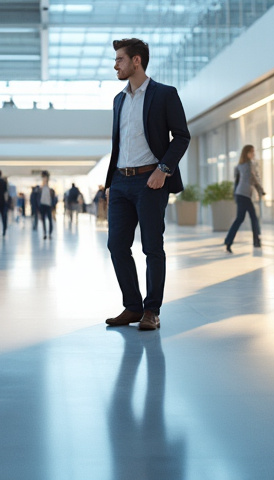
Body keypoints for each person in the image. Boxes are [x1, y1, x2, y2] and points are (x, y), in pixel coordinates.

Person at [104, 38, 190, 332]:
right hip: (119, 182)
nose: (115, 64)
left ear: (136, 61)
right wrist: (110, 183)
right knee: (116, 245)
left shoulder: (164, 94)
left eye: (120, 59)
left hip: (150, 182)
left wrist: (163, 170)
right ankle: (133, 306)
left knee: (152, 247)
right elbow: (118, 144)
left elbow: (182, 136)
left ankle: (152, 310)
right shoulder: (119, 99)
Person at [224, 145, 266, 253]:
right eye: (251, 152)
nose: (254, 154)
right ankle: (254, 241)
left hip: (241, 194)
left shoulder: (240, 165)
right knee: (247, 218)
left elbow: (238, 182)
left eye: (254, 152)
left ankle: (230, 241)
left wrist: (259, 190)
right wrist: (261, 190)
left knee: (245, 218)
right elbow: (254, 179)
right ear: (246, 153)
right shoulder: (249, 165)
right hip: (244, 195)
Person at [38, 173, 54, 239]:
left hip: (48, 205)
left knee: (50, 220)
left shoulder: (50, 189)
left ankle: (50, 233)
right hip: (42, 205)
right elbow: (38, 198)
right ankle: (44, 233)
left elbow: (52, 198)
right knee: (43, 220)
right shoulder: (40, 188)